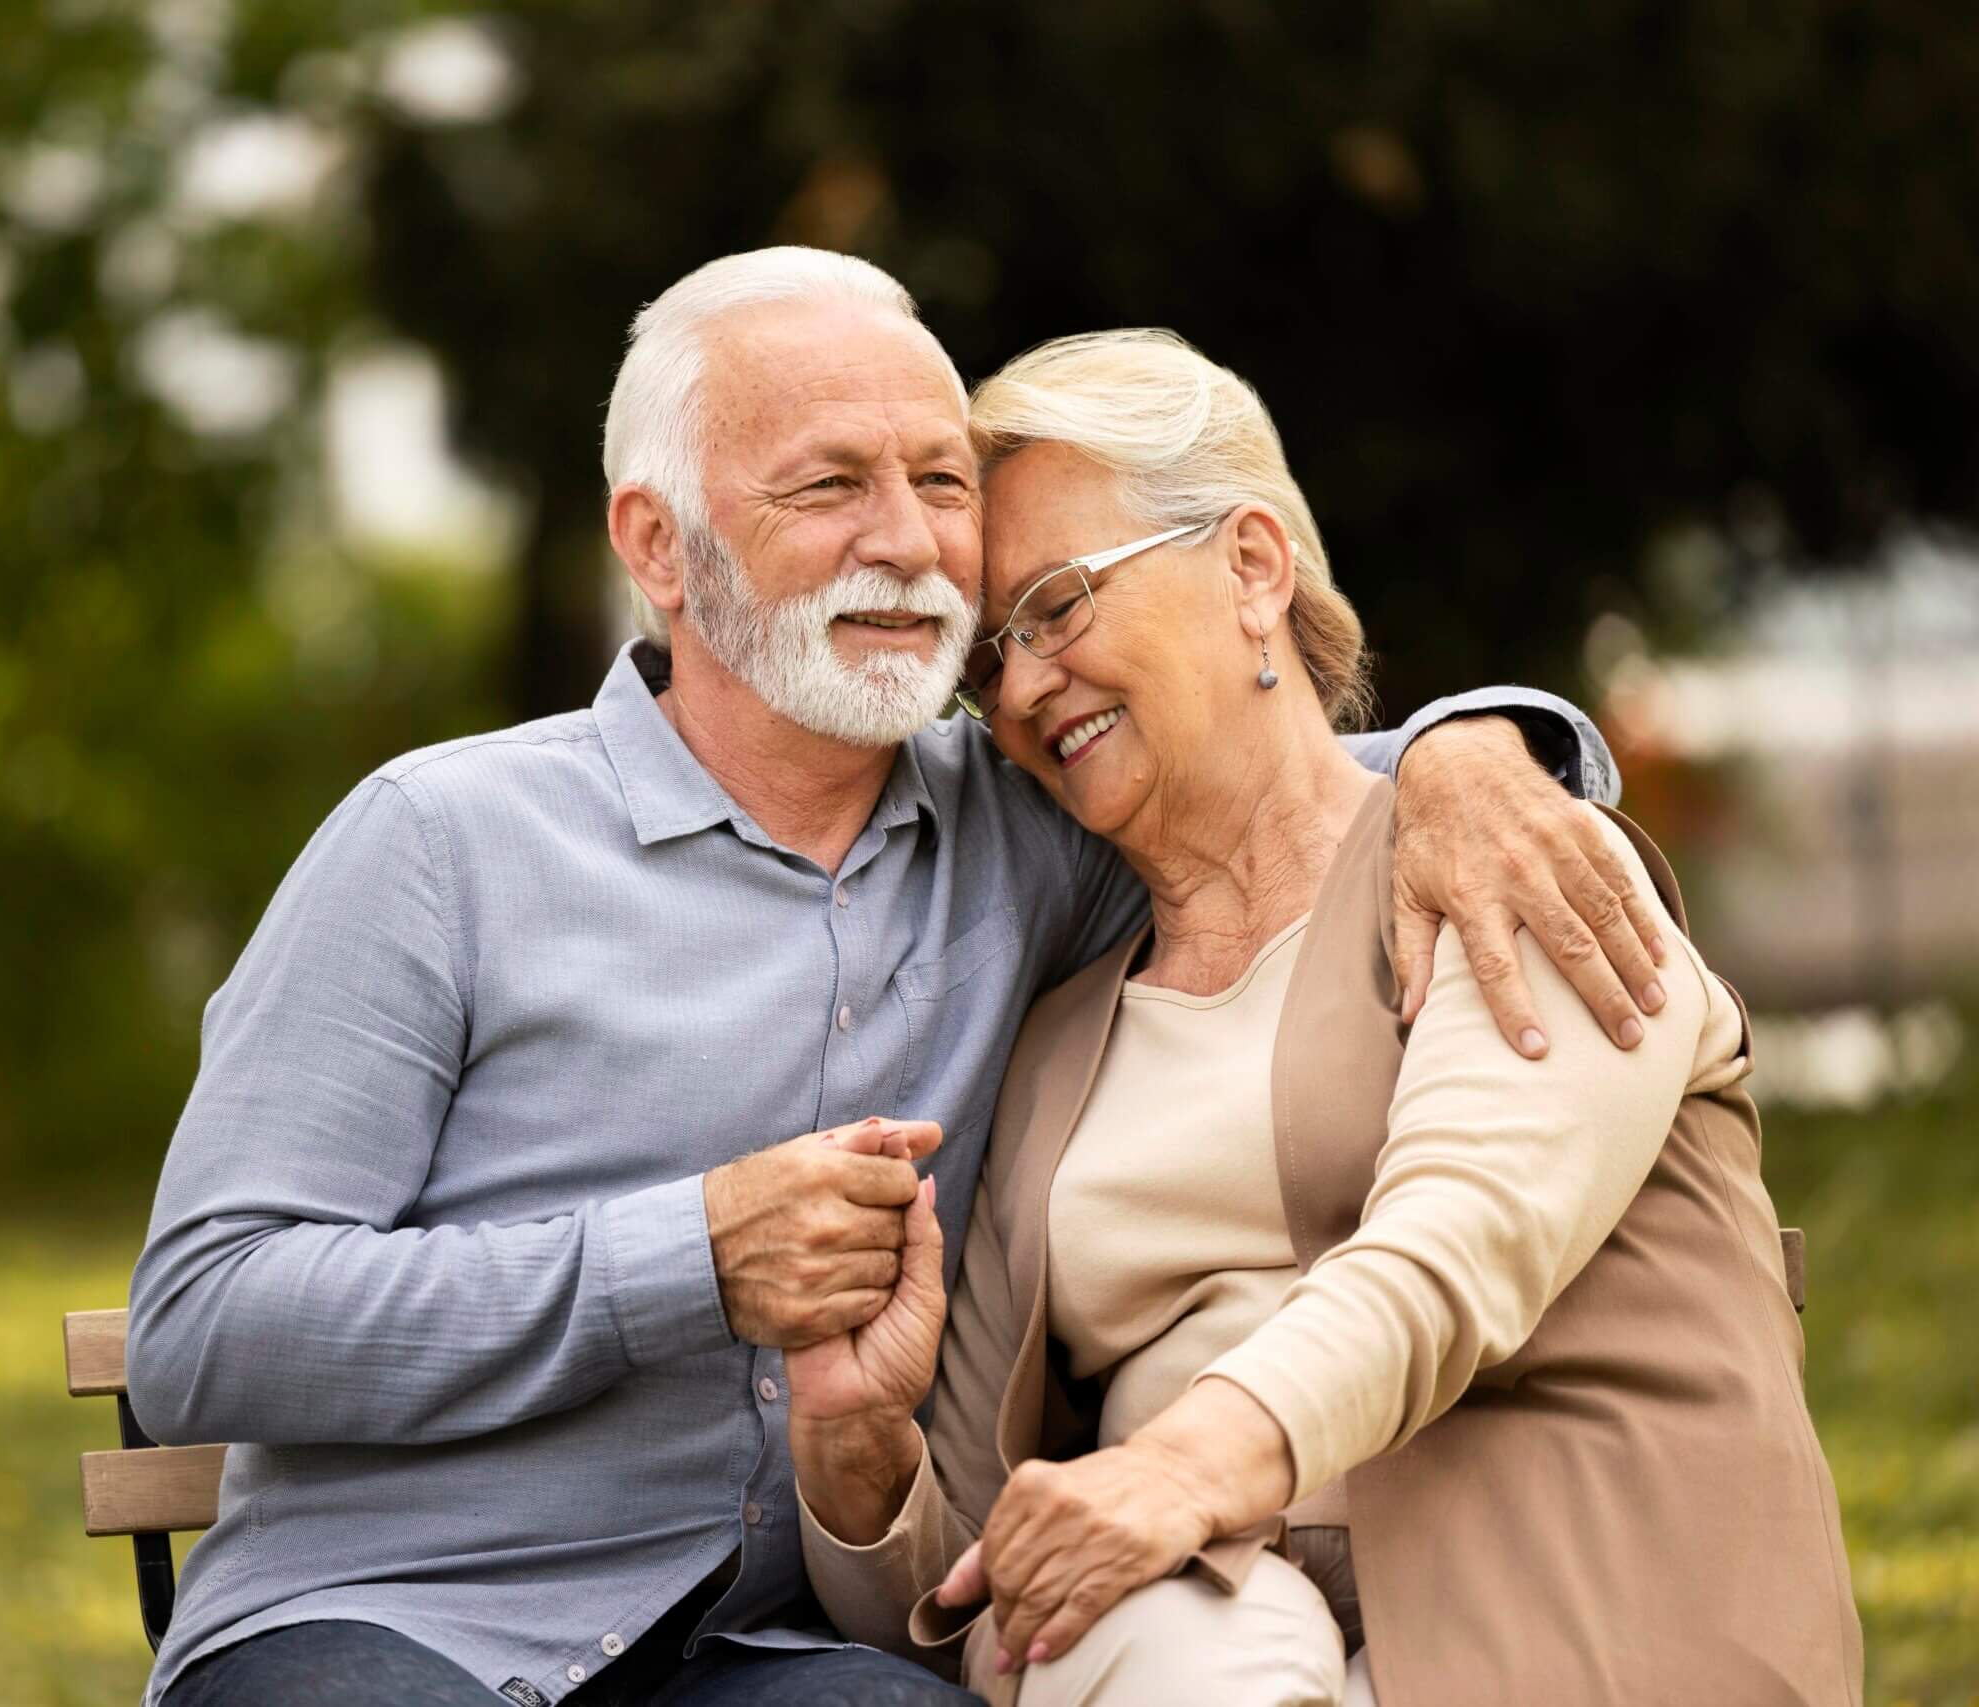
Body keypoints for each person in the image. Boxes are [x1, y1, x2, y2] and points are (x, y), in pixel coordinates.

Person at [126, 250, 1665, 1707]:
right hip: (397, 1627)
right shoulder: (437, 843)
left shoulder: (1033, 821)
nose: (909, 541)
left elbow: (1290, 780)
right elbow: (201, 1323)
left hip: (767, 1657)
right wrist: (690, 1261)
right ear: (658, 543)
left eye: (939, 481)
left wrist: (1489, 747)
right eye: (829, 486)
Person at [788, 328, 1862, 1707]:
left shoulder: (1513, 864)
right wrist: (859, 1446)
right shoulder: (1055, 1049)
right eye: (987, 660)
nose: (1025, 687)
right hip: (1199, 1656)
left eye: (1057, 607)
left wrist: (1173, 1474)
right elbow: (971, 1586)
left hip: (1574, 1628)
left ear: (1251, 568)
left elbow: (1454, 1249)